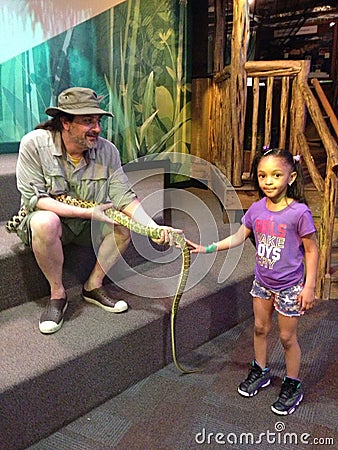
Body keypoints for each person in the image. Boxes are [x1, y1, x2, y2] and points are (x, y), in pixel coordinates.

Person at [14, 87, 180, 334]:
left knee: (122, 221)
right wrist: (89, 213)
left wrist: (152, 227)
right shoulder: (34, 144)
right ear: (65, 122)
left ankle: (93, 285)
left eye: (98, 121)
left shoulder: (108, 151)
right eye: (88, 121)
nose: (97, 128)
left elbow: (124, 196)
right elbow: (35, 199)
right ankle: (57, 294)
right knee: (45, 221)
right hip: (54, 223)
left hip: (89, 224)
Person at [186, 148, 318, 415]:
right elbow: (238, 237)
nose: (268, 181)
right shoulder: (256, 209)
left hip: (289, 287)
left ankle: (292, 384)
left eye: (275, 175)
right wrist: (205, 248)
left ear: (290, 178)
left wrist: (309, 287)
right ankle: (261, 370)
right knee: (259, 328)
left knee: (286, 337)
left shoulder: (299, 213)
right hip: (262, 282)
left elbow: (312, 250)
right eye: (262, 175)